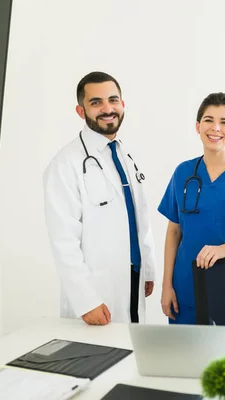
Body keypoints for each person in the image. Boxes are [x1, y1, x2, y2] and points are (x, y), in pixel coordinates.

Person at [43, 71, 156, 326]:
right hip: (97, 292)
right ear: (81, 111)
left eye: (113, 100)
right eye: (96, 103)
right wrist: (86, 300)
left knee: (131, 358)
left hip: (132, 280)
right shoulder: (65, 164)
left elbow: (140, 217)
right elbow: (63, 241)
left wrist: (147, 268)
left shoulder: (124, 155)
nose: (107, 109)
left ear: (122, 104)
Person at [158, 92, 225, 334]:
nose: (215, 128)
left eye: (224, 122)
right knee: (187, 361)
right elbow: (174, 231)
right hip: (186, 285)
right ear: (198, 126)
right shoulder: (183, 173)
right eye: (208, 120)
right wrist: (167, 286)